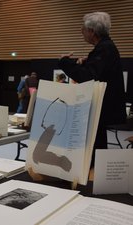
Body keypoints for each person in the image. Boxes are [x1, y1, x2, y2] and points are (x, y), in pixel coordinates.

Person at [58, 12, 127, 166]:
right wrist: (85, 63)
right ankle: (91, 177)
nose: (81, 31)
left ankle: (91, 179)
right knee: (97, 144)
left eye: (83, 28)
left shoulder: (104, 48)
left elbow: (88, 77)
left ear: (92, 32)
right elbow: (97, 72)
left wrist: (64, 62)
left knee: (96, 146)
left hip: (102, 109)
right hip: (103, 108)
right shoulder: (106, 47)